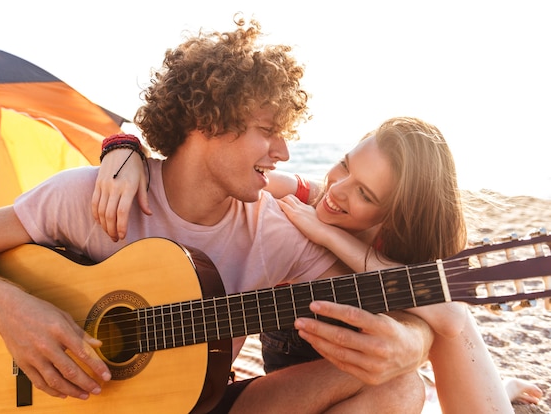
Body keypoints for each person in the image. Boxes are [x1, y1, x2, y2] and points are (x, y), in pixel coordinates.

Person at [0, 18, 476, 413]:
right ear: (207, 122)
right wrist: (10, 309)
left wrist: (414, 344)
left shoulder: (277, 229)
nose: (283, 151)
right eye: (266, 130)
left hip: (202, 404)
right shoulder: (92, 196)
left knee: (400, 388)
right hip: (68, 403)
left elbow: (384, 303)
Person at [94, 117, 525, 413]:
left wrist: (332, 237)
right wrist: (123, 148)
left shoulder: (389, 251)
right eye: (345, 165)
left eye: (366, 195)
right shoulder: (302, 196)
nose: (336, 190)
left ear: (392, 219)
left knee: (417, 370)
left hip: (339, 392)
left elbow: (451, 317)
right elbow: (202, 160)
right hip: (281, 396)